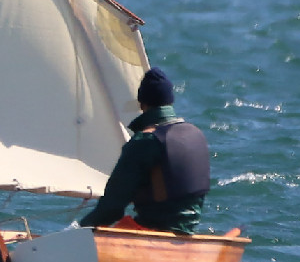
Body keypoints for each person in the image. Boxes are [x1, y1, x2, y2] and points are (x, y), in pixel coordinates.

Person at [78, 67, 211, 235]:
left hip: (153, 233)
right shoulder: (196, 134)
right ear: (170, 101)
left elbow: (111, 209)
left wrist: (80, 230)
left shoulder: (145, 141)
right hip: (189, 233)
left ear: (142, 104)